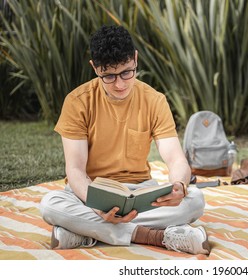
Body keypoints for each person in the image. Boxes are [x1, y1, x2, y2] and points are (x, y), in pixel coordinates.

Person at [39, 25, 210, 255]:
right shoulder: (77, 102)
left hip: (139, 194)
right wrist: (97, 205)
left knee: (195, 199)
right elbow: (75, 170)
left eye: (127, 72)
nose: (120, 84)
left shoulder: (155, 100)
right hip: (89, 193)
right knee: (50, 204)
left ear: (135, 59)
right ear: (94, 67)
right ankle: (154, 236)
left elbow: (176, 158)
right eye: (108, 75)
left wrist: (179, 185)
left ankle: (82, 233)